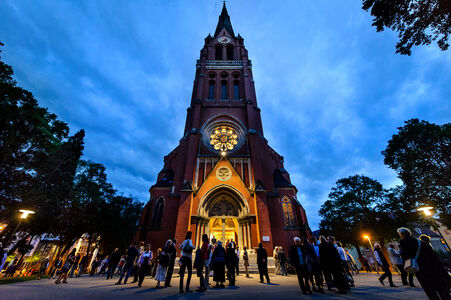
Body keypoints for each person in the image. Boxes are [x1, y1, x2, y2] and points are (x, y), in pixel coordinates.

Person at [398, 227, 451, 299]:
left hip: (421, 270)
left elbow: (404, 256)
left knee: (430, 290)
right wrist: (441, 266)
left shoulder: (403, 243)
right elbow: (434, 255)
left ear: (401, 235)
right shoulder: (422, 243)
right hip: (434, 268)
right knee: (442, 289)